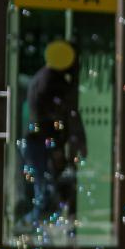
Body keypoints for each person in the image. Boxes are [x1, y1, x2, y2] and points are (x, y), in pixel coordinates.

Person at [23, 39, 87, 232]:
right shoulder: (50, 81)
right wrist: (57, 147)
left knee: (48, 190)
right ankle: (27, 227)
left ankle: (33, 227)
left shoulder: (44, 77)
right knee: (46, 191)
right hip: (43, 142)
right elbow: (52, 116)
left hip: (40, 141)